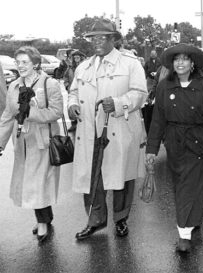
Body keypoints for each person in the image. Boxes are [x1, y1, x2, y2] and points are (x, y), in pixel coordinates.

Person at [67, 19, 148, 240]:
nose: (97, 42)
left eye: (103, 37)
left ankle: (121, 219)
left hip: (118, 129)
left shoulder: (130, 63)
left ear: (114, 39)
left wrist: (119, 103)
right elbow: (73, 91)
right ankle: (95, 220)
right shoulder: (83, 66)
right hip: (89, 133)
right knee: (92, 179)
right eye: (93, 38)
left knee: (121, 177)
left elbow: (141, 94)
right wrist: (72, 104)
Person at [146, 43, 203, 252]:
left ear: (192, 63)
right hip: (175, 144)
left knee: (197, 187)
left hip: (201, 143)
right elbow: (157, 121)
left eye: (184, 59)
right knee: (183, 187)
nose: (180, 63)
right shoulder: (164, 86)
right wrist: (151, 150)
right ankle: (185, 230)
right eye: (176, 59)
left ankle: (186, 230)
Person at [0, 46, 63, 242]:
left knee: (37, 184)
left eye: (24, 62)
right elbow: (7, 116)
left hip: (42, 141)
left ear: (35, 63)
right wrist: (0, 143)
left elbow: (57, 112)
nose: (20, 66)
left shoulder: (49, 83)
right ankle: (46, 216)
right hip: (22, 143)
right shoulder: (13, 86)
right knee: (33, 184)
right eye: (18, 62)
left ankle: (43, 222)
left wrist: (31, 113)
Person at [63, 50, 86, 133]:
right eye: (75, 57)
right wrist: (66, 85)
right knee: (71, 107)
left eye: (77, 57)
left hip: (83, 91)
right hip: (71, 91)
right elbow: (65, 77)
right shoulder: (70, 67)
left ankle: (83, 125)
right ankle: (73, 124)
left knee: (83, 108)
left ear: (81, 58)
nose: (76, 59)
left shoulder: (85, 67)